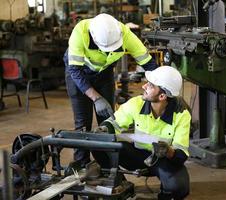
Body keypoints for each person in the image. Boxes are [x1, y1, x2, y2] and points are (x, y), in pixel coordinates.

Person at [63, 13, 157, 167]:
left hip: (104, 73)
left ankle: (109, 166)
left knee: (108, 121)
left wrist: (163, 85)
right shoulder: (80, 32)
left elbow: (149, 64)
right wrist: (96, 97)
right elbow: (75, 71)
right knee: (82, 123)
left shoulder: (125, 33)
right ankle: (81, 164)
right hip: (79, 74)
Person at [94, 66, 191, 199]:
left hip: (162, 160)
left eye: (150, 85)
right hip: (136, 155)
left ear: (162, 96)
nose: (144, 86)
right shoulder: (136, 103)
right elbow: (114, 123)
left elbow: (181, 154)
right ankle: (118, 182)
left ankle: (165, 195)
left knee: (179, 188)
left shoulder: (181, 115)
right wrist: (104, 129)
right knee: (99, 144)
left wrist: (168, 151)